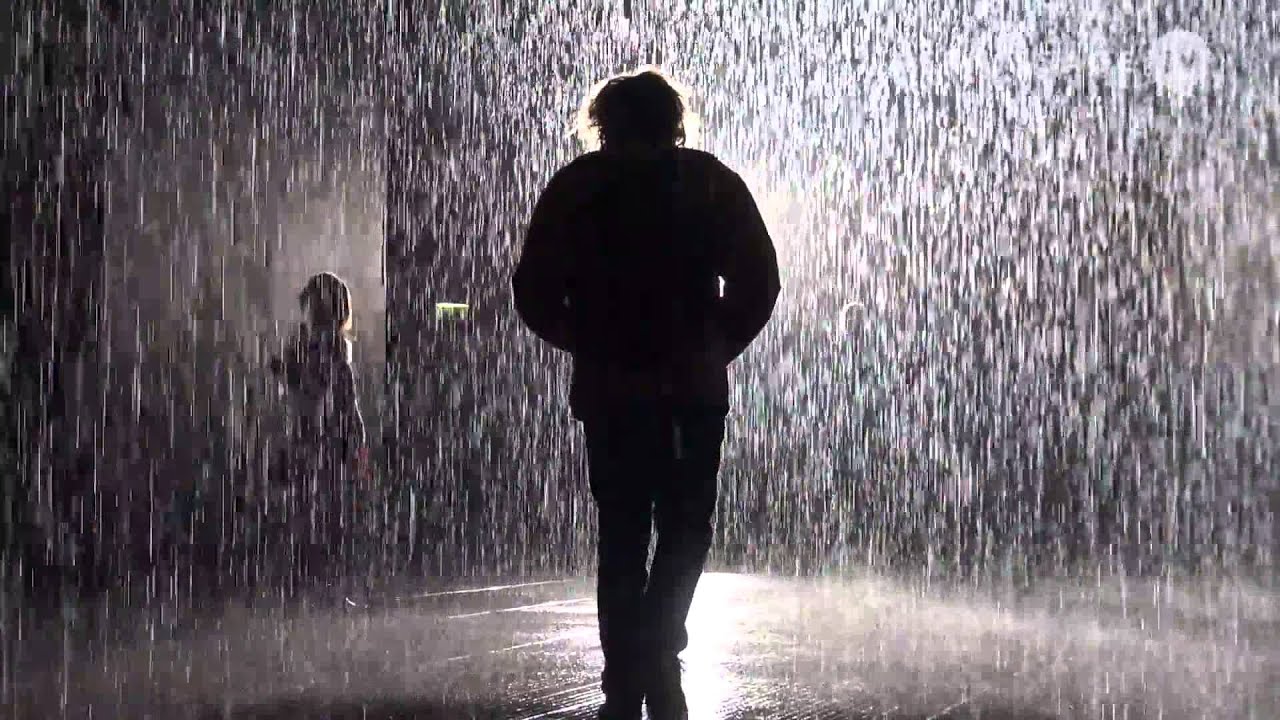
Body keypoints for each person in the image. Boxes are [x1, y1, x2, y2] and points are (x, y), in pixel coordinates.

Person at [512, 67, 780, 720]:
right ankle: (660, 647)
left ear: (603, 122)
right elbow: (761, 281)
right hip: (692, 389)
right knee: (686, 529)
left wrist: (588, 340)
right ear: (674, 120)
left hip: (612, 393)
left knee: (624, 532)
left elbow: (534, 290)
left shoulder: (578, 186)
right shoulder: (709, 181)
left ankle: (623, 673)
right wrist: (715, 345)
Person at [269, 272, 369, 585]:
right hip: (310, 441)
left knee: (321, 513)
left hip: (323, 443)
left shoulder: (328, 352)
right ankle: (313, 575)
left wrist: (291, 375)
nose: (312, 315)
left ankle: (319, 576)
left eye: (317, 308)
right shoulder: (308, 348)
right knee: (311, 513)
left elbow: (333, 398)